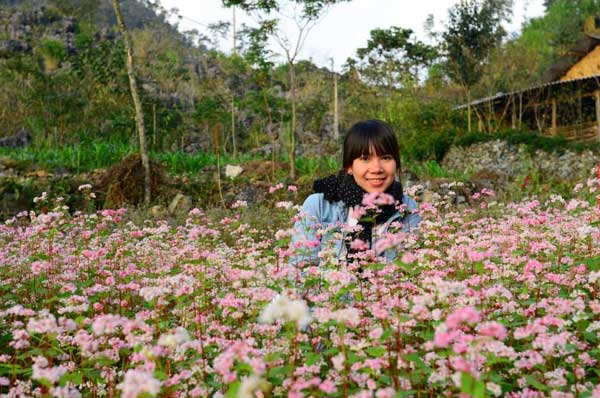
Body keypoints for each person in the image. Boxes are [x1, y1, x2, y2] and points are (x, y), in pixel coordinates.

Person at [290, 119, 420, 267]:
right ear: (349, 166)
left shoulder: (408, 210)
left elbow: (411, 276)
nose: (376, 168)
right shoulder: (319, 206)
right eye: (365, 158)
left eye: (385, 158)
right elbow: (298, 274)